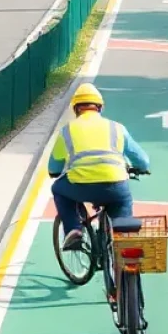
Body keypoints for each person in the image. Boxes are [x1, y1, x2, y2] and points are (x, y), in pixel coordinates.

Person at [49, 83, 150, 251]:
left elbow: (54, 167)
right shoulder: (116, 128)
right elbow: (143, 162)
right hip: (116, 186)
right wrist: (139, 168)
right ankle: (124, 257)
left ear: (75, 109)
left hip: (81, 187)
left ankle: (74, 229)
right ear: (100, 107)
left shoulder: (67, 130)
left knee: (58, 189)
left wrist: (56, 172)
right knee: (123, 224)